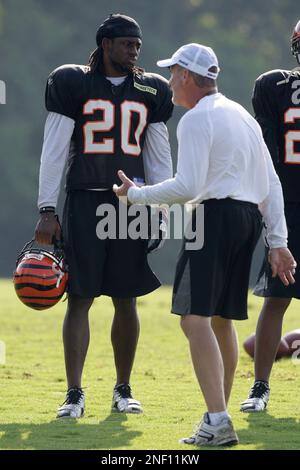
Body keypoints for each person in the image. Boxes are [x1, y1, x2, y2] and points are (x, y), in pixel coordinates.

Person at [113, 43, 296, 446]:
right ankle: (219, 416)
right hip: (247, 220)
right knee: (220, 321)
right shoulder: (242, 116)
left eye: (174, 72)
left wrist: (136, 194)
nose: (171, 81)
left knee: (193, 320)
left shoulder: (195, 120)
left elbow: (189, 186)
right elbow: (272, 184)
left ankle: (216, 419)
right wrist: (277, 240)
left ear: (188, 76)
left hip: (214, 219)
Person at [34, 13, 173, 418]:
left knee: (126, 299)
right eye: (127, 44)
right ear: (105, 44)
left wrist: (160, 208)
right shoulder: (72, 82)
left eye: (138, 46)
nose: (134, 52)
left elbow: (159, 156)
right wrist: (47, 207)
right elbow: (55, 148)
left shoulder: (151, 89)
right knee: (79, 297)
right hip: (84, 201)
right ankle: (74, 392)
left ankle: (123, 388)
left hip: (131, 205)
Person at [240, 21, 300, 412]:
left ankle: (259, 389)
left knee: (276, 300)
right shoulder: (274, 86)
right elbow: (266, 155)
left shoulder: (276, 86)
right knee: (276, 298)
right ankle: (260, 386)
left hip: (286, 203)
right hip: (288, 205)